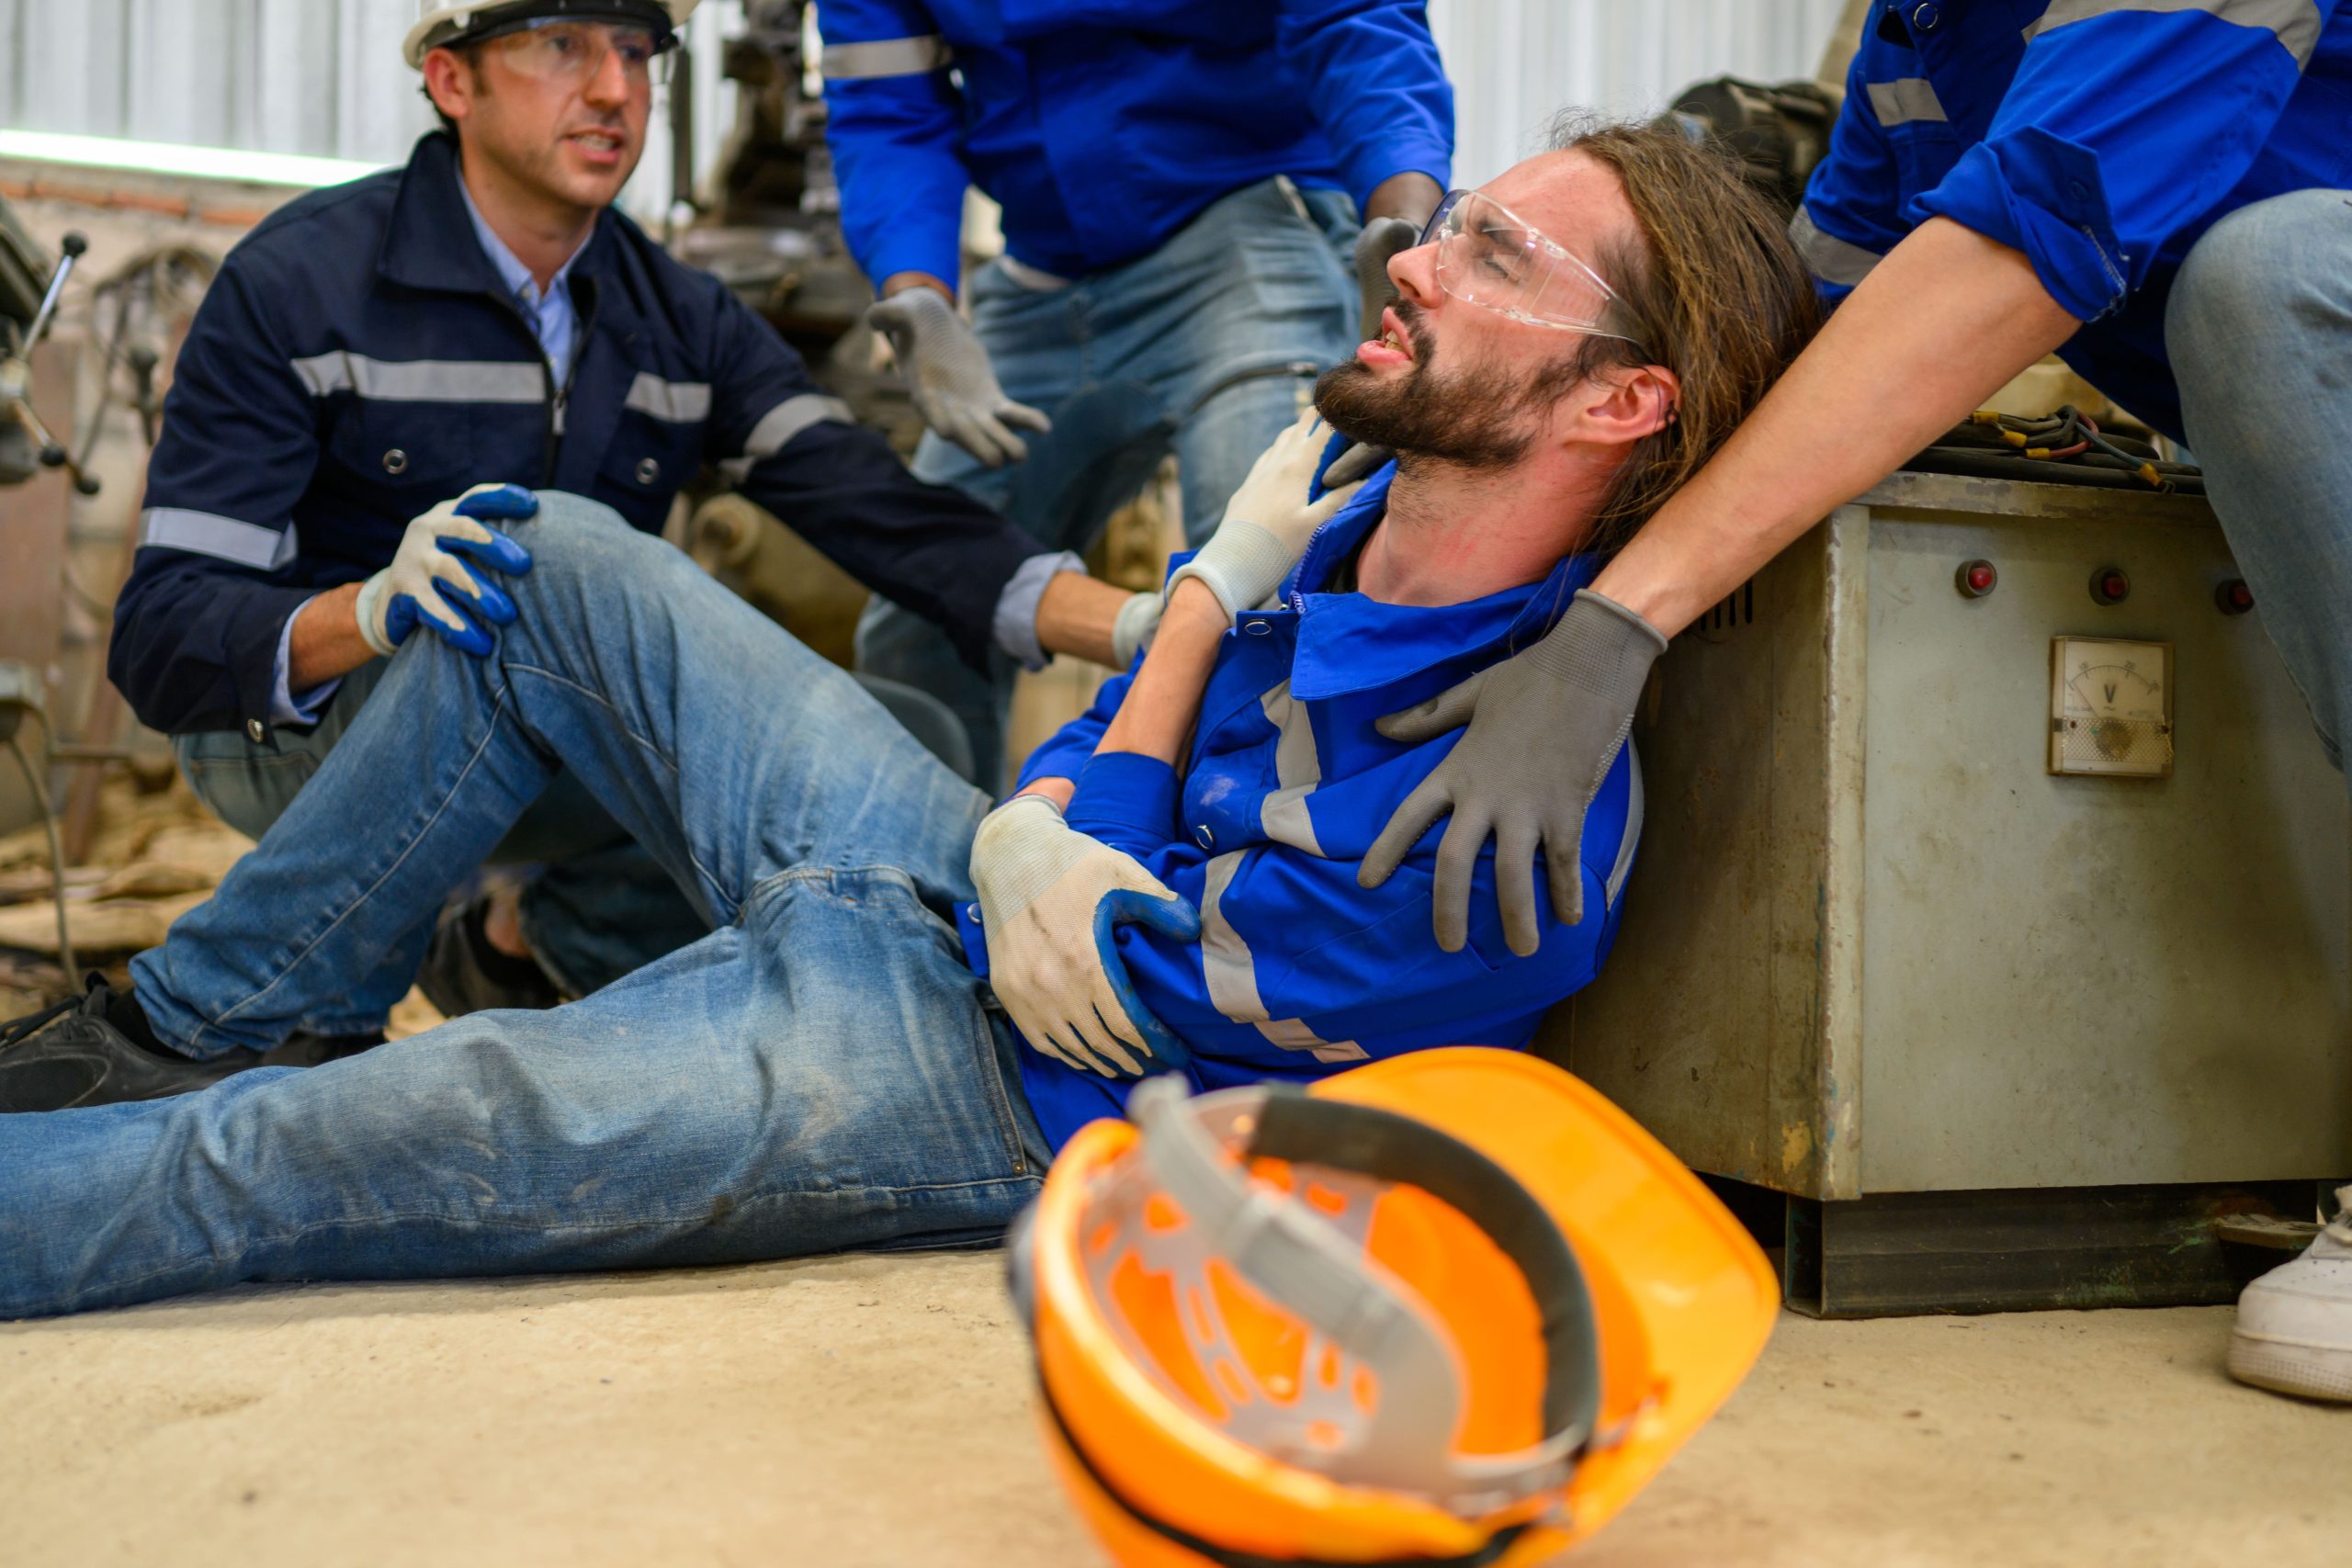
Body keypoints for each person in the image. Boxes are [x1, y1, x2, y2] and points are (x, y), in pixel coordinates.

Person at [0, 121, 1816, 1318]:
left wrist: (1187, 615)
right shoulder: (1337, 520)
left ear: (1619, 402)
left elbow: (1119, 976)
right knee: (543, 553)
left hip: (999, 1081)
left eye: (1496, 253)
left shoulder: (1503, 822)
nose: (1412, 258)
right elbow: (1076, 797)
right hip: (953, 886)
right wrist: (1026, 817)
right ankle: (209, 1014)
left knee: (306, 1151)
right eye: (1457, 219)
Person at [1356, 5, 2352, 1401]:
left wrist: (1617, 623)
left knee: (2270, 279)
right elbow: (1789, 339)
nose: (1418, 265)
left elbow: (2034, 228)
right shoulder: (1921, 37)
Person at [108, 0, 1144, 1026]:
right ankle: (240, 1014)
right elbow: (163, 637)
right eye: (563, 46)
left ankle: (527, 944)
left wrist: (1154, 625)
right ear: (452, 79)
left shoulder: (677, 317)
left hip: (544, 733)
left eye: (637, 52)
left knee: (915, 729)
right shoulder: (298, 285)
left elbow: (878, 509)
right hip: (302, 738)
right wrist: (369, 610)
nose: (614, 90)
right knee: (541, 560)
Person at [817, 0, 1454, 786]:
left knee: (1269, 586)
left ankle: (1261, 848)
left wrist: (1402, 223)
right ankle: (928, 856)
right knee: (918, 618)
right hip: (1039, 266)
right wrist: (917, 293)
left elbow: (1353, 17)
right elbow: (886, 102)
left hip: (1241, 225)